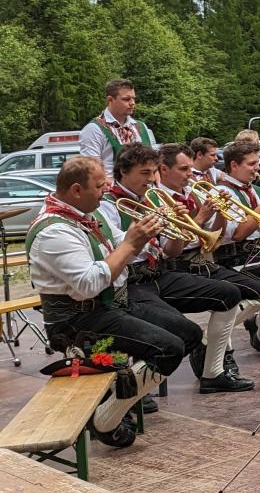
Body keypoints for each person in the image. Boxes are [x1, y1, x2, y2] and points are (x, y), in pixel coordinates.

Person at [27, 156, 189, 448]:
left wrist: (155, 226)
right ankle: (106, 419)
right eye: (100, 185)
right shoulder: (54, 231)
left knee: (189, 333)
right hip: (78, 321)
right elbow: (90, 284)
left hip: (111, 305)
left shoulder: (89, 214)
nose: (106, 191)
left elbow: (120, 241)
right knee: (169, 349)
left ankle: (122, 389)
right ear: (77, 190)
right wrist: (131, 243)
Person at [99, 143, 253, 395]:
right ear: (123, 172)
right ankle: (136, 389)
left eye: (152, 174)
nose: (150, 180)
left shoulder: (151, 199)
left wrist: (182, 225)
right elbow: (114, 253)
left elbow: (172, 251)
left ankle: (213, 373)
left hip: (161, 271)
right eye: (144, 173)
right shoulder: (109, 205)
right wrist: (147, 226)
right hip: (131, 281)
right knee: (180, 330)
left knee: (229, 293)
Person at [213, 140, 260, 357]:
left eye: (257, 163)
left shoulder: (255, 190)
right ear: (234, 165)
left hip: (258, 252)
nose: (257, 168)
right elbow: (238, 234)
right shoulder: (222, 192)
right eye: (252, 164)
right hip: (233, 256)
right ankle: (214, 337)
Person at [79, 78, 157, 178]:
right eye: (126, 99)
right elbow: (90, 170)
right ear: (110, 100)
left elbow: (155, 164)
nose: (132, 103)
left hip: (144, 190)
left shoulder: (141, 127)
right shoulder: (93, 129)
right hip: (112, 190)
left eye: (133, 98)